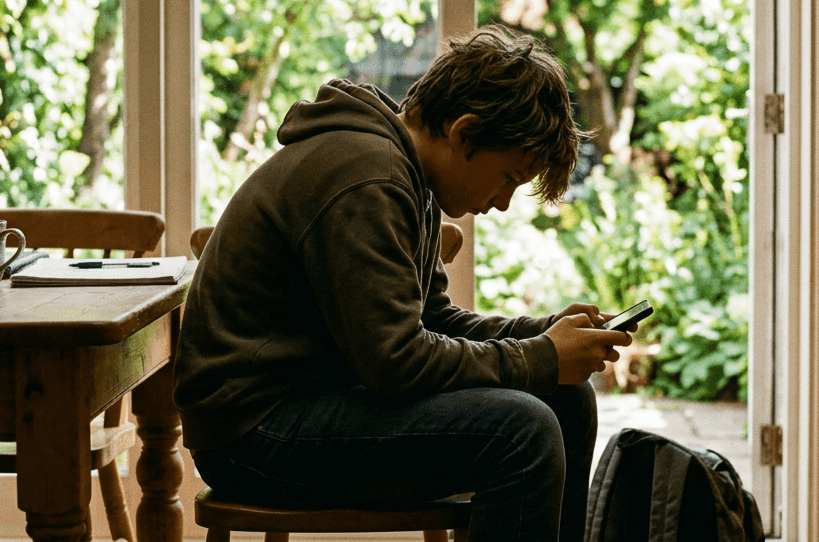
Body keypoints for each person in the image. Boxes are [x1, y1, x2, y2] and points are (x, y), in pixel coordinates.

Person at [173, 27, 634, 542]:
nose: (503, 202)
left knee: (567, 398)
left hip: (312, 399)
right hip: (254, 433)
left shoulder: (406, 173)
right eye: (508, 177)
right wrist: (539, 356)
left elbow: (435, 318)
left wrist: (543, 334)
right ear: (463, 133)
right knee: (522, 431)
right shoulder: (369, 176)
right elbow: (395, 362)